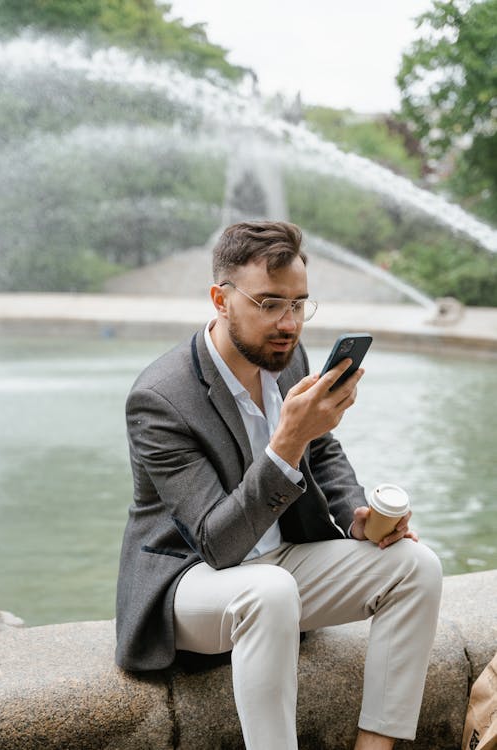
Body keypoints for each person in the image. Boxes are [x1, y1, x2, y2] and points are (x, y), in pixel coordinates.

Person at [115, 221, 442, 750]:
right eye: (269, 304)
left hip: (283, 562)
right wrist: (286, 441)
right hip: (190, 580)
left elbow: (324, 449)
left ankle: (376, 745)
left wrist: (357, 512)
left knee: (417, 566)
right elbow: (216, 544)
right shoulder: (159, 399)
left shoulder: (291, 359)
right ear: (220, 299)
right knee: (268, 591)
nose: (288, 323)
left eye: (298, 304)